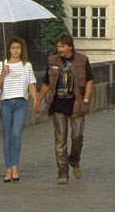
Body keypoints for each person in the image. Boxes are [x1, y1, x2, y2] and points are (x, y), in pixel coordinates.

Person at [35, 33, 94, 185]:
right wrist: (38, 100)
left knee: (77, 136)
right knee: (60, 140)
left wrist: (86, 100)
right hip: (58, 104)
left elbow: (89, 81)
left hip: (77, 104)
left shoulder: (82, 59)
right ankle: (62, 173)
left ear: (70, 47)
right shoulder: (52, 61)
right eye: (58, 46)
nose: (59, 49)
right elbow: (47, 83)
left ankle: (74, 159)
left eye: (62, 46)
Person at [0, 36, 37, 182]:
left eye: (18, 48)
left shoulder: (27, 65)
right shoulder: (1, 65)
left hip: (20, 103)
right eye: (13, 48)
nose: (15, 50)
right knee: (7, 137)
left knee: (16, 134)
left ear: (21, 50)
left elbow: (31, 85)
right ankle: (8, 168)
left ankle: (15, 166)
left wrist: (36, 100)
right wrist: (3, 73)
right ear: (9, 50)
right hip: (6, 103)